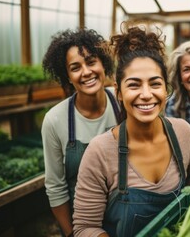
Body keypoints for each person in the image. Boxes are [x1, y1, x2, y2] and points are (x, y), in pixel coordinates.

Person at [72, 23, 190, 237]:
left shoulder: (183, 133)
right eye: (134, 85)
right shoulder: (100, 151)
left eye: (155, 84)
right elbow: (84, 227)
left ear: (165, 89)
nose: (146, 94)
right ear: (118, 92)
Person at [41, 28, 121, 237]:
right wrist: (72, 233)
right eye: (75, 67)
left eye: (91, 61)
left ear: (103, 64)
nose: (86, 72)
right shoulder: (55, 120)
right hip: (81, 223)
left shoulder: (123, 103)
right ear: (67, 76)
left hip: (126, 216)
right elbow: (56, 187)